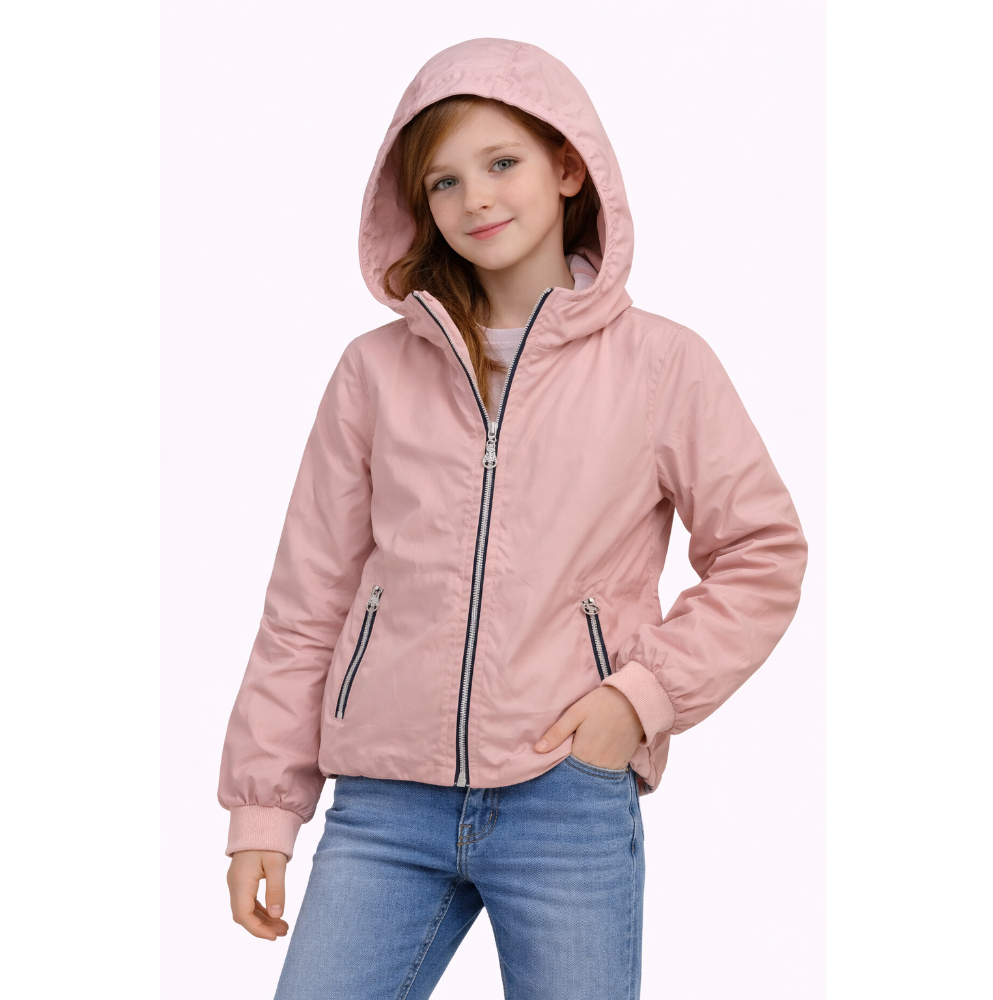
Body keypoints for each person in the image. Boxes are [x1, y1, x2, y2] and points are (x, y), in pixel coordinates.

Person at [219, 38, 807, 999]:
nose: (476, 199)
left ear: (568, 167)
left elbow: (762, 552)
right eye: (444, 181)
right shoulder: (374, 373)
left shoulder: (661, 365)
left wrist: (638, 700)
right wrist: (263, 808)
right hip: (384, 803)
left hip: (563, 794)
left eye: (502, 163)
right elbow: (305, 602)